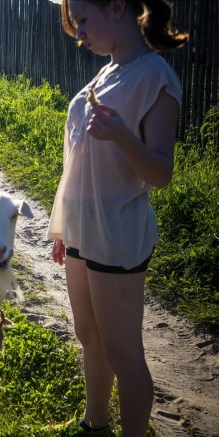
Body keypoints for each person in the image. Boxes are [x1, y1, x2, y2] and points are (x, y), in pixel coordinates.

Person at [47, 0, 188, 435]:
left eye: (83, 20)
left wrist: (124, 137)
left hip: (116, 234)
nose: (78, 34)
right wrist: (62, 228)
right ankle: (95, 424)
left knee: (123, 353)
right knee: (89, 338)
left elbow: (160, 173)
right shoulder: (107, 73)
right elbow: (78, 164)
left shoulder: (154, 77)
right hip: (81, 232)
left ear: (117, 8)